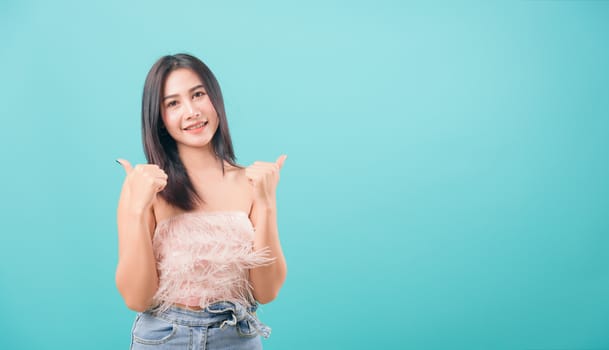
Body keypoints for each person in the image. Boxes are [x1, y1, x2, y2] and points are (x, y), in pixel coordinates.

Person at [114, 53, 287, 350]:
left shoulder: (251, 183)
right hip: (163, 338)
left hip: (237, 337)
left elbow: (266, 291)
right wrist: (137, 208)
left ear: (215, 99)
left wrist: (267, 203)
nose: (192, 111)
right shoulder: (144, 187)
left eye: (198, 95)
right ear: (159, 119)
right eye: (173, 103)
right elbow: (137, 298)